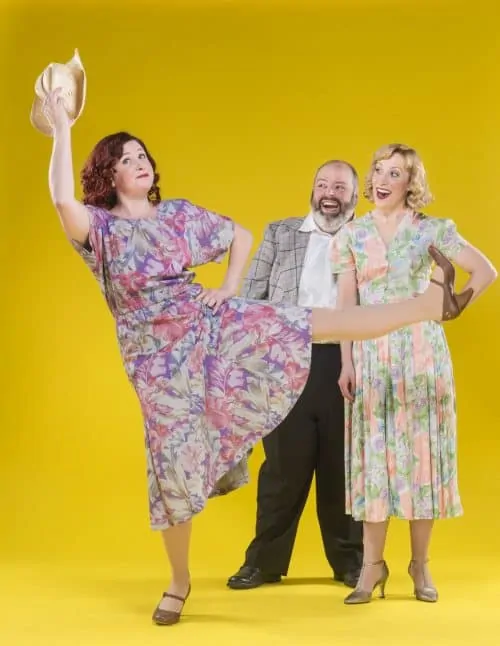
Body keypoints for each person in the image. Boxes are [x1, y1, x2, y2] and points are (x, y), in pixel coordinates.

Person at [43, 89, 472, 625]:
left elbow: (235, 237)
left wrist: (226, 287)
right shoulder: (98, 229)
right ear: (108, 174)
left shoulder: (177, 215)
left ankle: (429, 304)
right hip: (158, 363)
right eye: (126, 159)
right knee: (172, 466)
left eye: (143, 155)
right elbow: (62, 201)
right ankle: (179, 582)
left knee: (314, 321)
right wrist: (62, 124)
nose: (140, 163)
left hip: (212, 328)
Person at [330, 143, 497, 605]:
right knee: (374, 463)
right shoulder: (351, 235)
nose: (383, 179)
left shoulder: (433, 230)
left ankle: (420, 566)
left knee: (422, 459)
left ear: (411, 183)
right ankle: (370, 568)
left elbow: (484, 271)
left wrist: (453, 306)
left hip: (422, 356)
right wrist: (345, 360)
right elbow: (347, 305)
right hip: (370, 355)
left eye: (396, 173)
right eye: (379, 170)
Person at [227, 160, 363, 591]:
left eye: (340, 186)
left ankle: (351, 563)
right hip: (287, 361)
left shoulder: (367, 240)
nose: (330, 192)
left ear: (355, 197)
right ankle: (263, 561)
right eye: (322, 184)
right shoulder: (281, 234)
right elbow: (249, 298)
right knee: (283, 468)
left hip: (347, 361)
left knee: (343, 467)